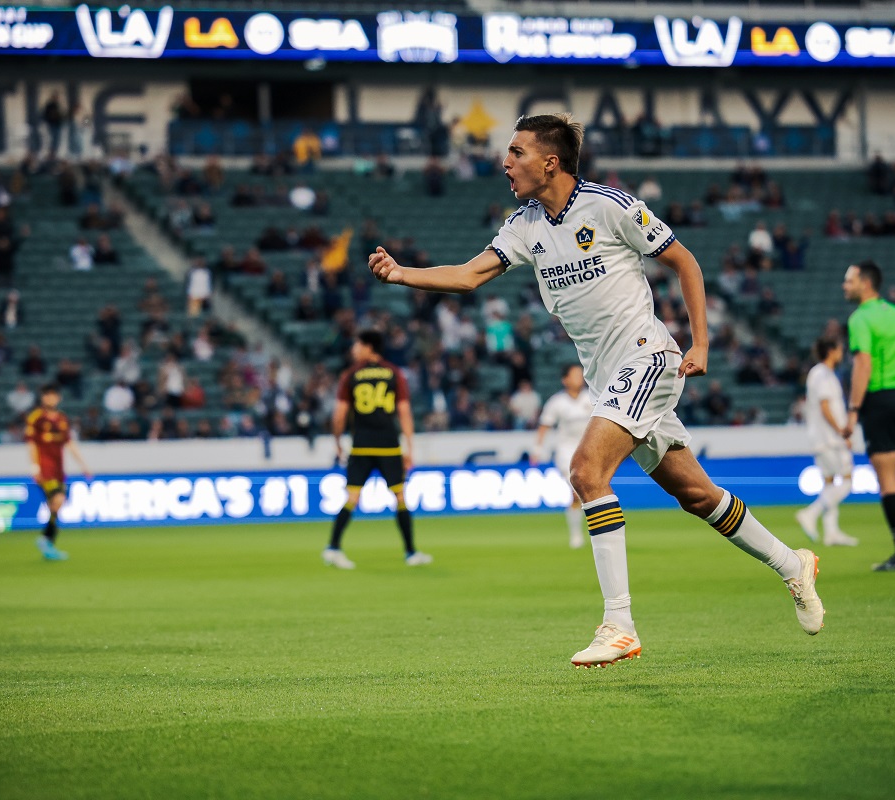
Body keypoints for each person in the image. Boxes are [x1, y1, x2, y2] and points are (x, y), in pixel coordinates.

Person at [368, 113, 824, 668]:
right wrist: (400, 273)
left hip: (647, 356)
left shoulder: (609, 206)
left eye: (516, 152)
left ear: (550, 161)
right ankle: (792, 565)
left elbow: (685, 262)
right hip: (607, 377)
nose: (506, 162)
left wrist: (699, 344)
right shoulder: (525, 224)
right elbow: (468, 275)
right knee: (697, 495)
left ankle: (619, 624)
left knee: (586, 472)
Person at [841, 260, 895, 571]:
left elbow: (863, 365)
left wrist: (852, 411)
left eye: (849, 280)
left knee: (886, 478)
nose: (844, 285)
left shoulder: (860, 318)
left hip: (881, 398)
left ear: (865, 283)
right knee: (894, 472)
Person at [324, 330, 430, 569]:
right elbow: (404, 411)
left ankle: (333, 548)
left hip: (361, 444)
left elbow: (339, 415)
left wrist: (338, 441)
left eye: (357, 345)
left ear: (369, 347)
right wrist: (410, 447)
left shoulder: (351, 375)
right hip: (388, 444)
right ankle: (411, 553)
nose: (354, 349)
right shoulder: (394, 373)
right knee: (401, 497)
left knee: (352, 497)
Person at [796, 338, 858, 547]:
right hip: (829, 439)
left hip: (823, 438)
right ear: (831, 351)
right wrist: (842, 432)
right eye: (840, 348)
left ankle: (831, 532)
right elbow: (825, 407)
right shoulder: (822, 374)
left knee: (830, 483)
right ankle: (811, 513)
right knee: (847, 481)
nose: (842, 352)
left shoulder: (824, 373)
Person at [25, 383, 92, 561]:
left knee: (57, 505)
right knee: (58, 500)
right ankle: (46, 540)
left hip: (58, 469)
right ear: (42, 398)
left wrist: (83, 465)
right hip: (45, 468)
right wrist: (35, 467)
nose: (50, 398)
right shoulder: (36, 418)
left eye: (53, 395)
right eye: (47, 395)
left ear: (58, 398)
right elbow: (31, 444)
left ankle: (47, 541)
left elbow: (69, 443)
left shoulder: (62, 418)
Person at [531, 363, 593, 549]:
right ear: (565, 380)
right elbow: (544, 426)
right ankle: (576, 535)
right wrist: (537, 449)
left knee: (591, 493)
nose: (579, 378)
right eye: (574, 375)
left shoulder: (592, 397)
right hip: (566, 452)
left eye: (580, 374)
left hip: (588, 450)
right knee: (576, 492)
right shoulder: (556, 402)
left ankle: (598, 532)